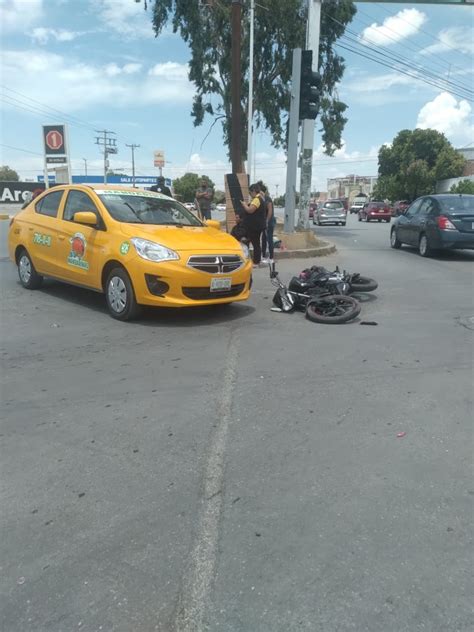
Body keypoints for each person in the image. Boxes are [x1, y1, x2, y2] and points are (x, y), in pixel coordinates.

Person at [240, 182, 267, 266]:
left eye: (250, 192)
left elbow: (250, 210)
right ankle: (254, 260)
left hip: (255, 226)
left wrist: (244, 205)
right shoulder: (260, 198)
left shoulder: (257, 199)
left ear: (254, 191)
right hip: (256, 226)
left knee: (255, 244)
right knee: (254, 243)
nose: (250, 194)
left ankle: (256, 261)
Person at [258, 181, 275, 264]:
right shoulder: (262, 199)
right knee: (264, 239)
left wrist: (267, 221)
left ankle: (271, 258)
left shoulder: (267, 199)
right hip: (265, 223)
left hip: (269, 222)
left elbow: (270, 211)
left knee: (269, 239)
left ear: (262, 191)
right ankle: (263, 256)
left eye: (259, 191)